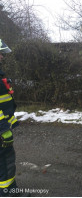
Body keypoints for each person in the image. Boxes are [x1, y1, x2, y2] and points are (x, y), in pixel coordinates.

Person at [0, 39, 28, 197]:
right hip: (1, 129)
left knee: (7, 160)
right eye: (0, 54)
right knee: (4, 162)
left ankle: (12, 191)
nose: (2, 57)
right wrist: (4, 130)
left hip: (4, 126)